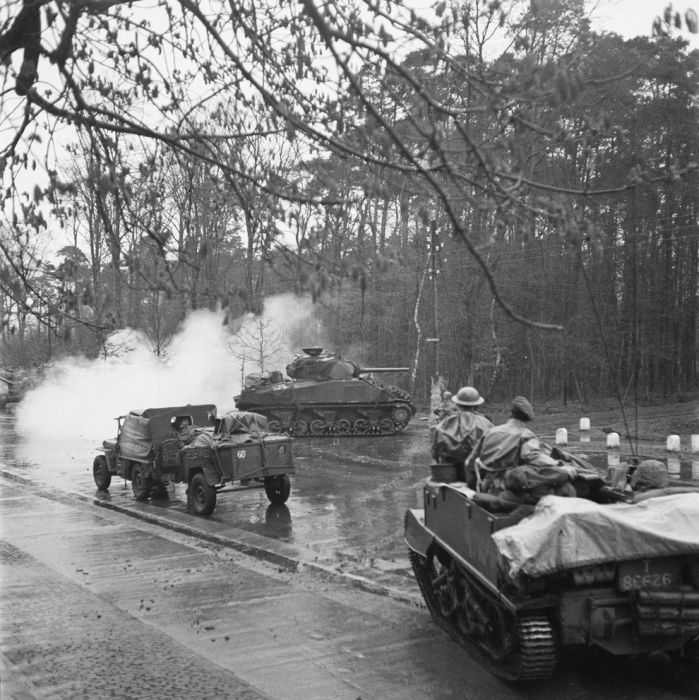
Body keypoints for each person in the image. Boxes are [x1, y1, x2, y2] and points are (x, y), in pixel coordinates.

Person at [472, 396, 576, 500]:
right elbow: (533, 457)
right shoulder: (526, 435)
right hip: (510, 487)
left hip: (486, 486)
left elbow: (472, 459)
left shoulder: (490, 431)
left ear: (511, 414)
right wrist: (558, 465)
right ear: (527, 419)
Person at [431, 386, 493, 468]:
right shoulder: (487, 423)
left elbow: (435, 452)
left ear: (458, 404)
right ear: (477, 405)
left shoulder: (445, 424)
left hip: (449, 471)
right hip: (476, 470)